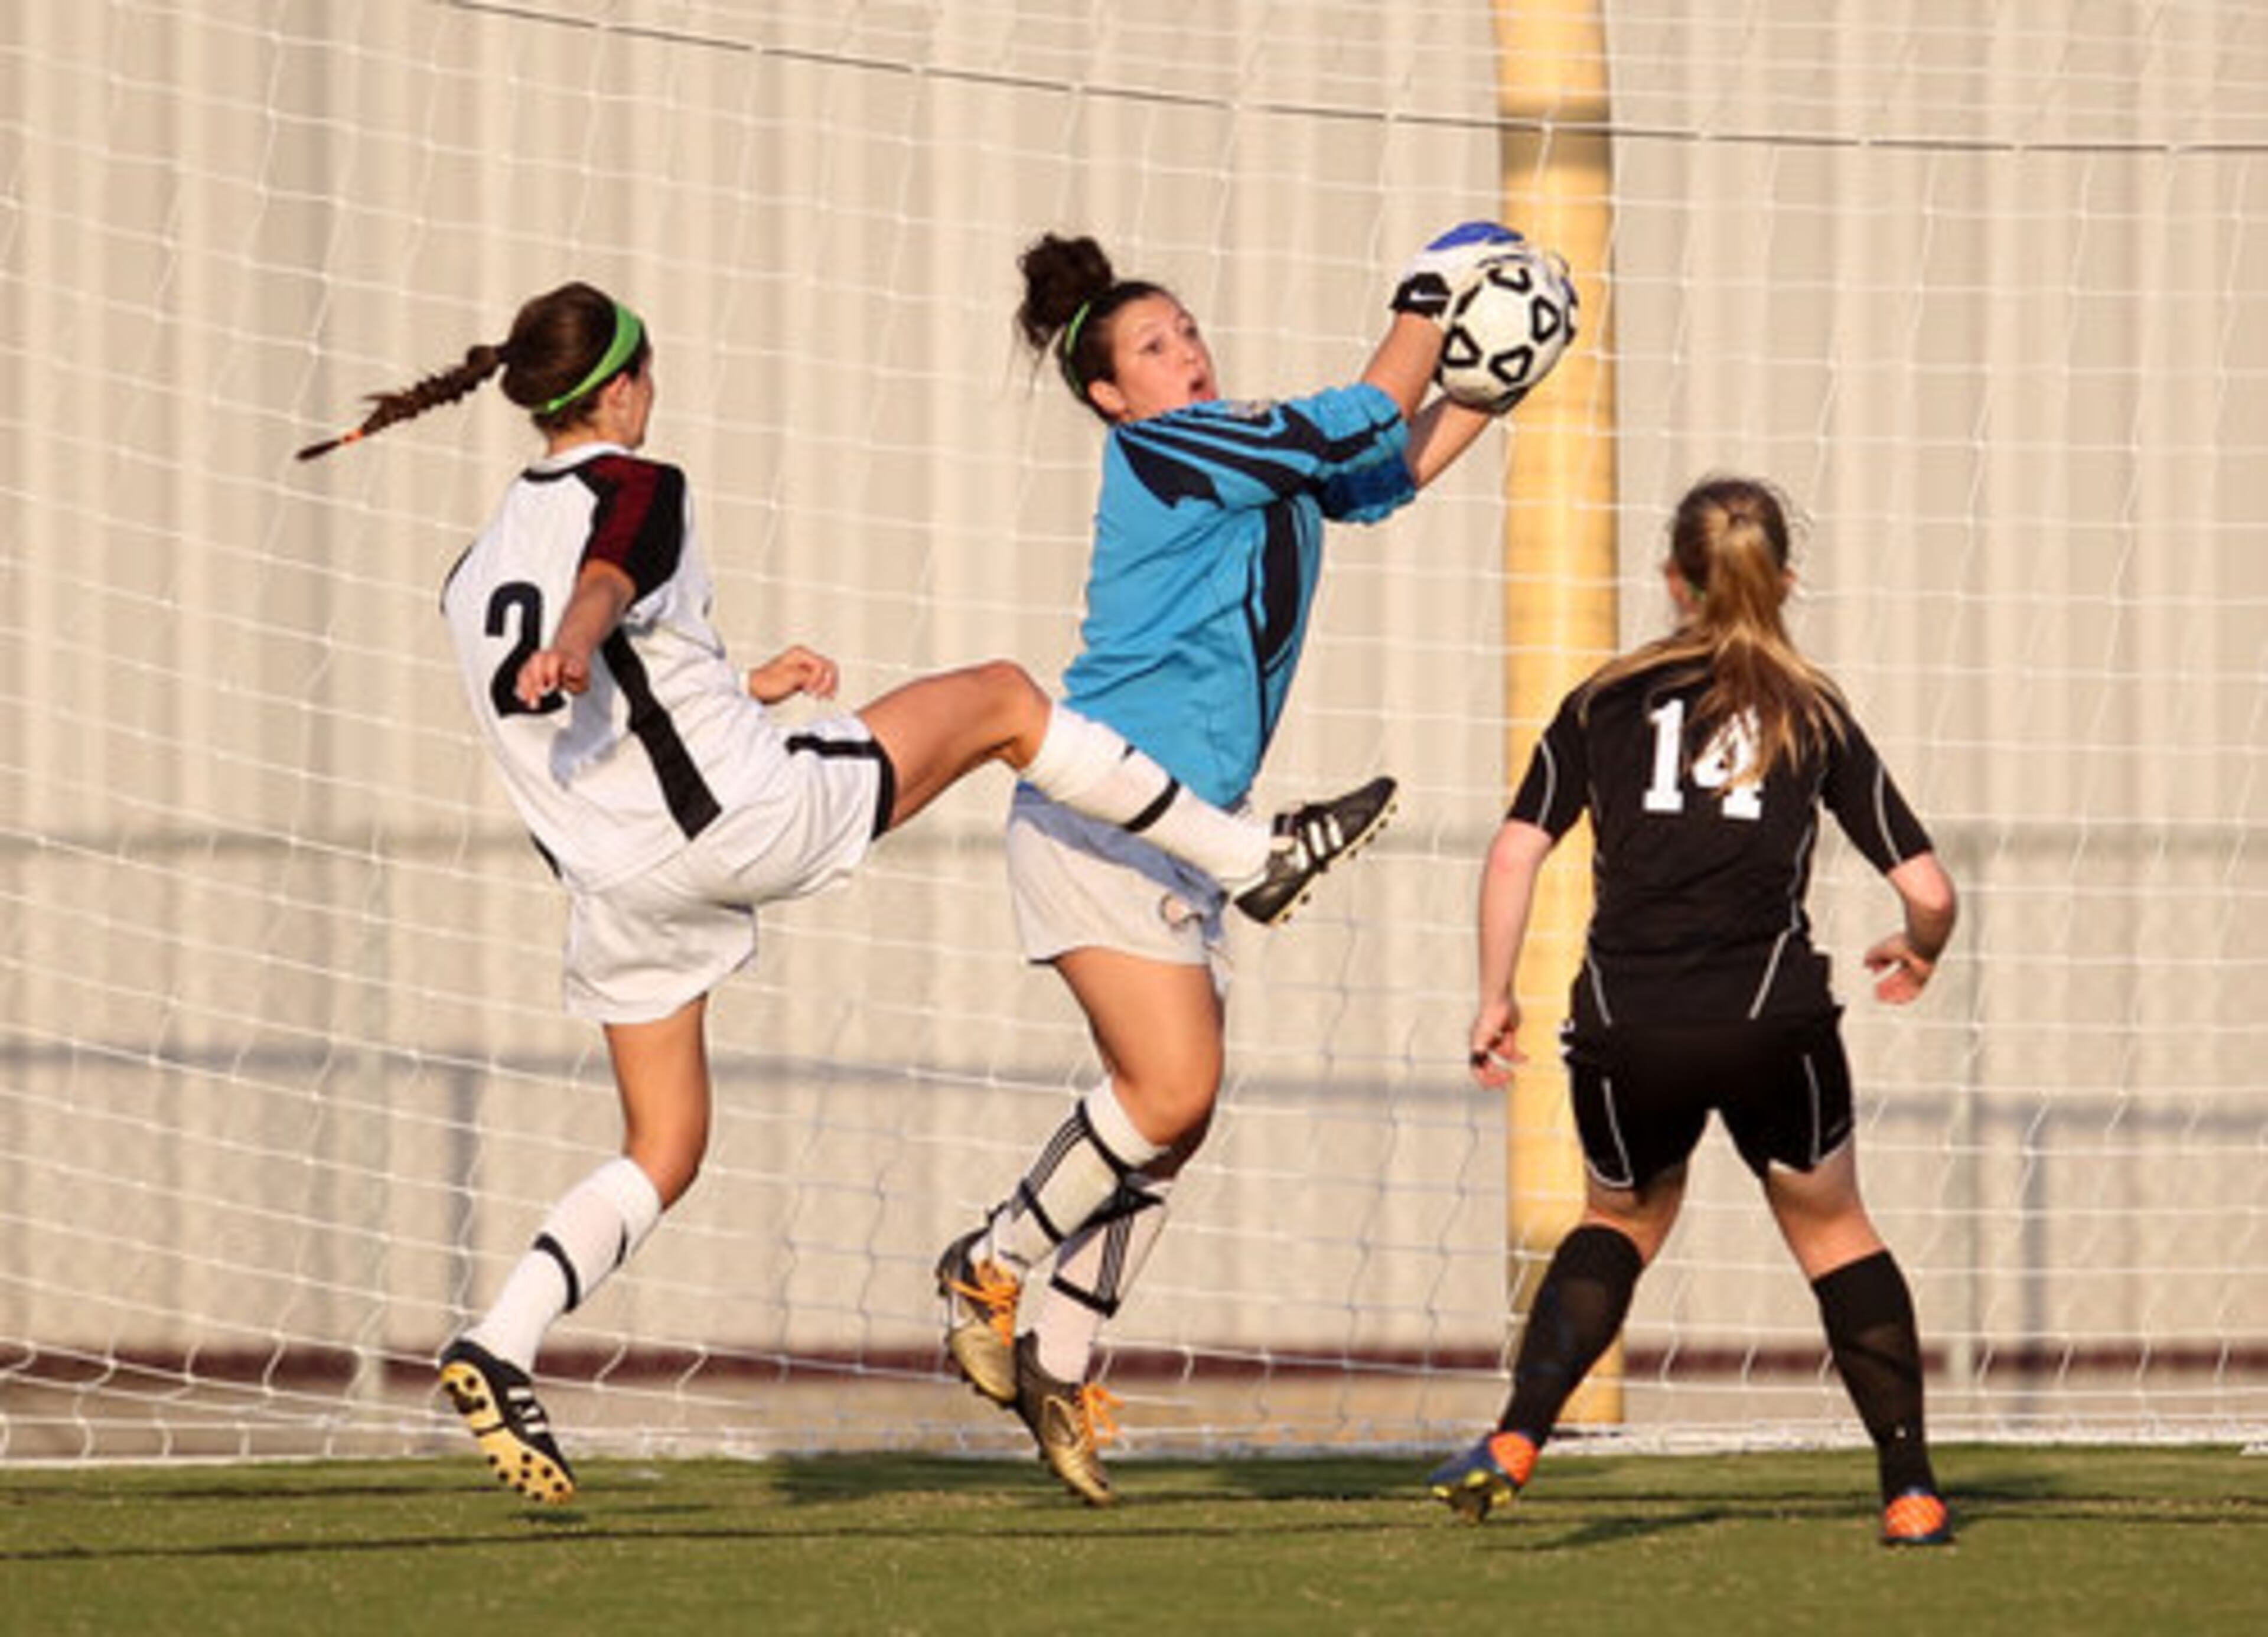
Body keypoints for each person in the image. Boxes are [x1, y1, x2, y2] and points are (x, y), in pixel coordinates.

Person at [297, 281, 1392, 1504]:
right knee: (1003, 700)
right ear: (619, 387)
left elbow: (602, 690)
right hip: (741, 820)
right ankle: (1252, 858)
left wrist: (740, 684)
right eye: (647, 376)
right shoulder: (639, 485)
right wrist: (585, 629)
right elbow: (605, 586)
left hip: (615, 889)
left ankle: (498, 1340)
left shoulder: (469, 569)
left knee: (663, 1148)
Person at [934, 225, 1532, 1505]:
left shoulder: (1236, 459)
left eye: (1189, 329)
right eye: (1155, 346)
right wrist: (1433, 293)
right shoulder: (1165, 448)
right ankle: (984, 1266)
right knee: (1170, 1088)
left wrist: (1494, 381)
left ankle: (1059, 1354)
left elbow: (1384, 471)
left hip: (1184, 826)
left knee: (1177, 1118)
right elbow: (1361, 416)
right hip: (1106, 818)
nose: (1188, 352)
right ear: (1111, 396)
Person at [1424, 475, 1960, 1547]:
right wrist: (1920, 953)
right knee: (1833, 1227)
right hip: (1772, 1021)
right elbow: (1931, 891)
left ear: (1673, 579)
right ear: (1786, 583)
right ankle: (1909, 1490)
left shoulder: (1600, 701)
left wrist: (1493, 997)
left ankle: (1520, 1434)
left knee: (1618, 1219)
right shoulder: (1812, 709)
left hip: (1629, 1026)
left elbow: (1516, 849)